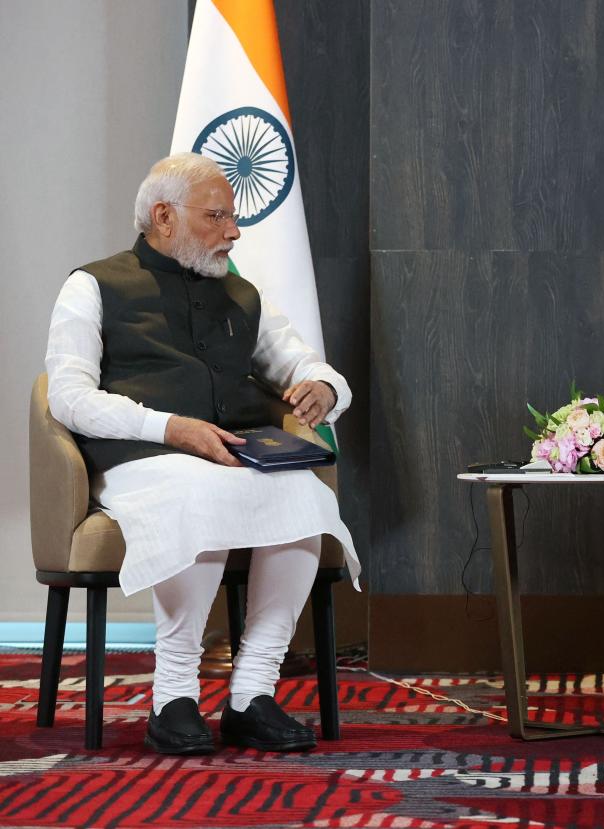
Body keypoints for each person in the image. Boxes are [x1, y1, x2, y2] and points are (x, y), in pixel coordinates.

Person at [45, 153, 361, 755]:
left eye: (233, 217)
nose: (234, 232)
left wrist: (323, 386)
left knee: (302, 494)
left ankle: (252, 693)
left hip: (234, 455)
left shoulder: (241, 293)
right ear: (163, 217)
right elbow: (68, 396)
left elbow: (300, 361)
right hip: (139, 458)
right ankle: (174, 696)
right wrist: (171, 429)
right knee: (198, 491)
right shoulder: (92, 285)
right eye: (216, 216)